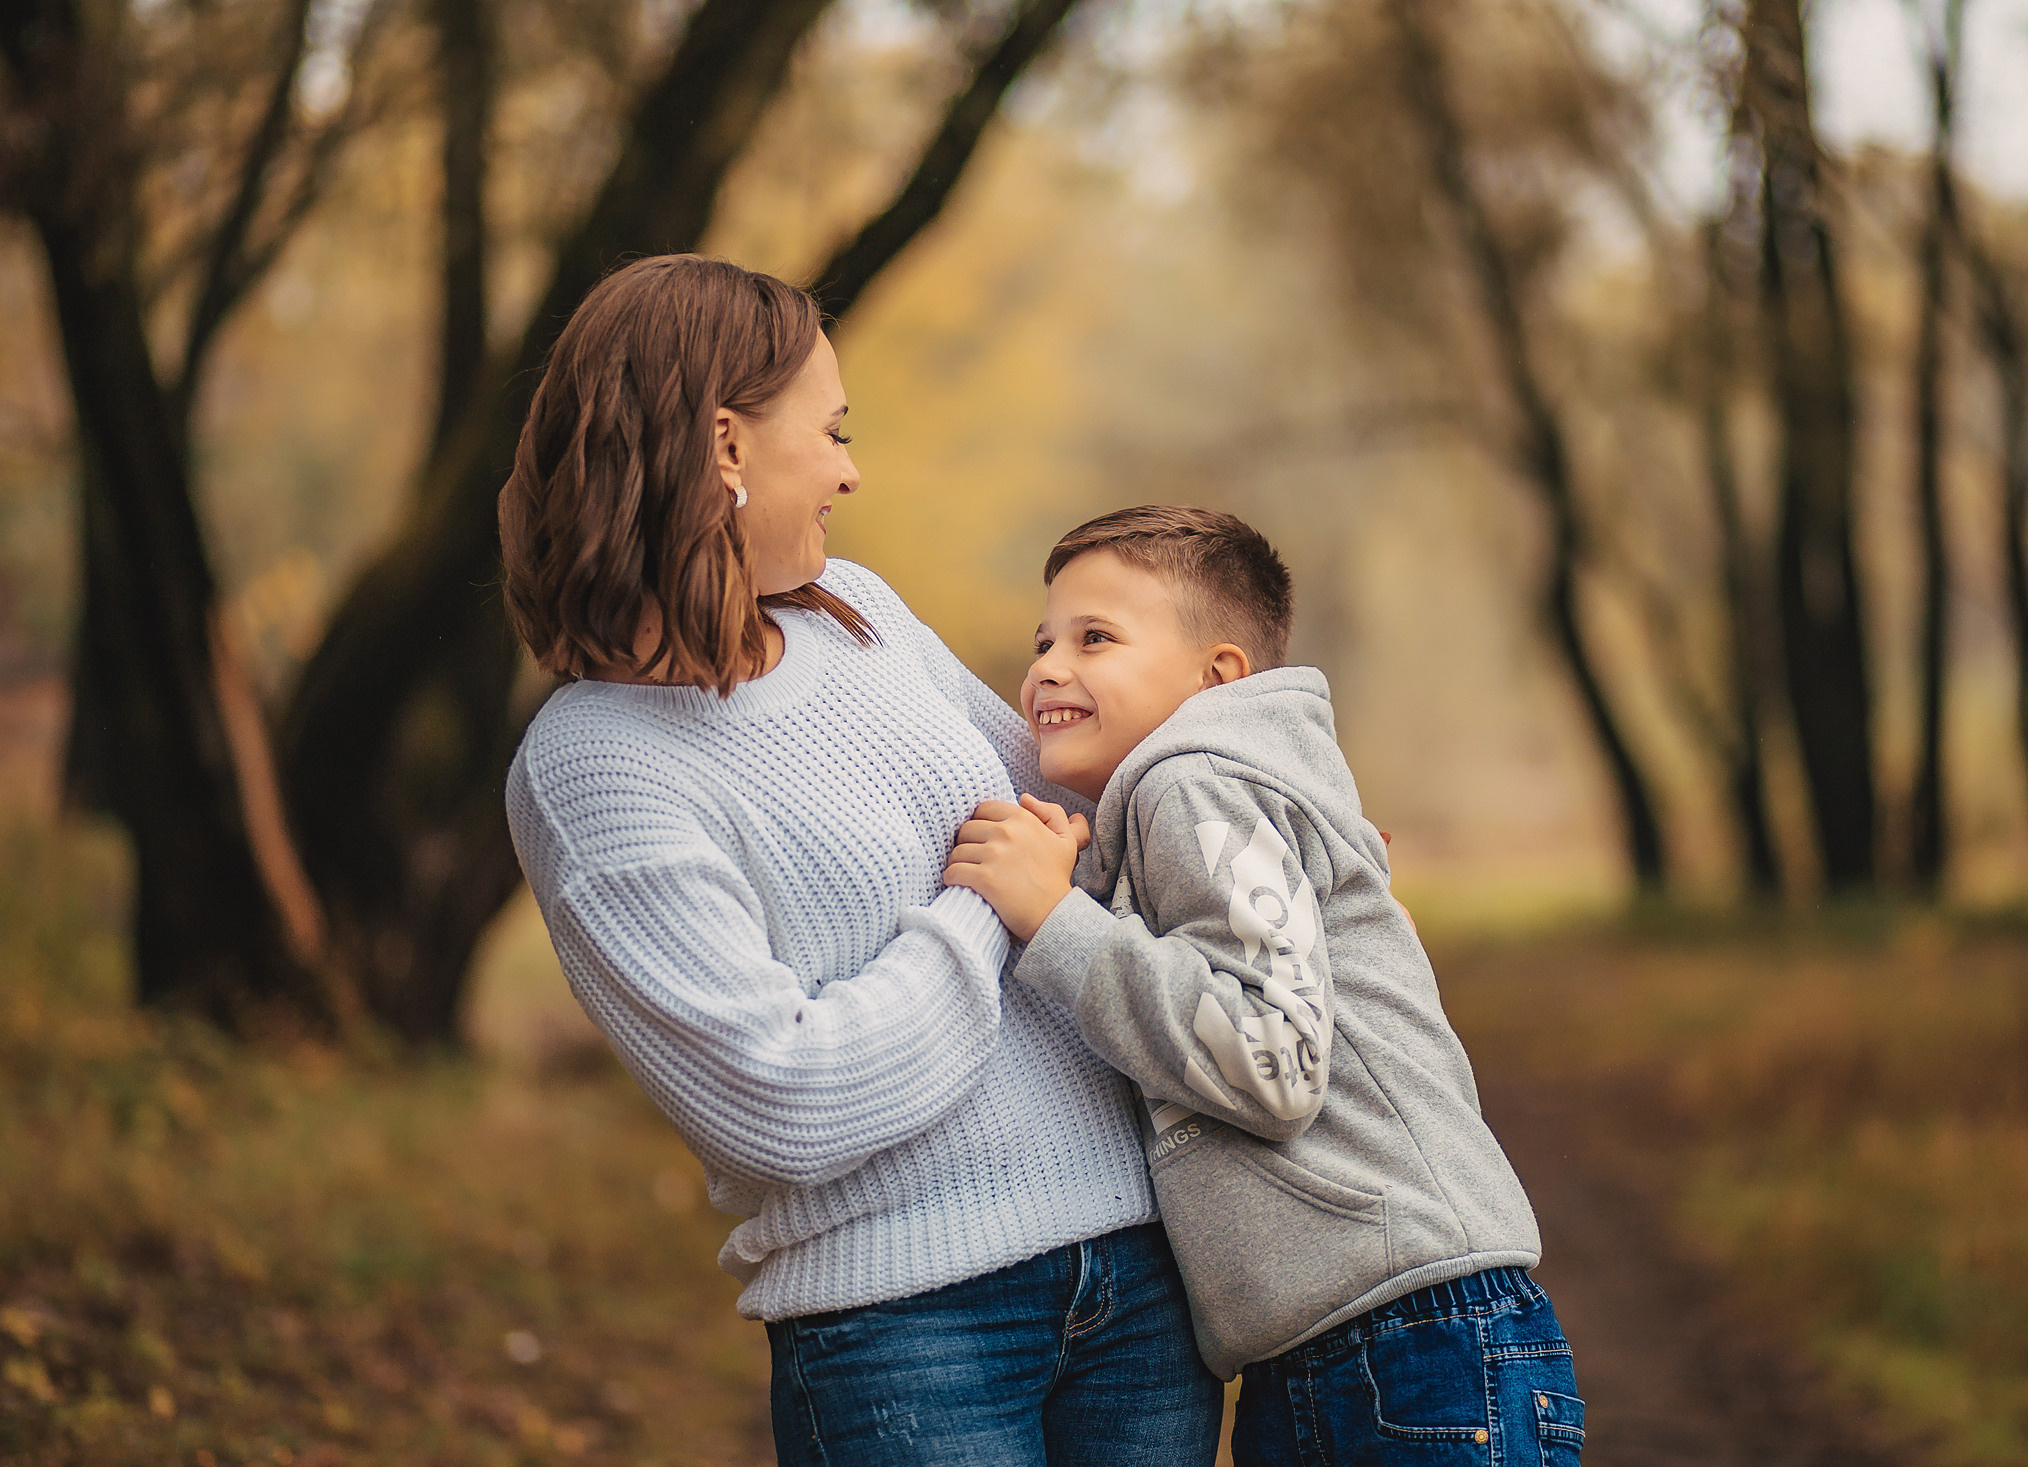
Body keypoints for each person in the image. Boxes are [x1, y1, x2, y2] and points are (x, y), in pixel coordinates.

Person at [499, 257, 1221, 1466]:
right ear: (725, 445)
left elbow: (1070, 823)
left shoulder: (861, 612)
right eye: (830, 432)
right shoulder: (592, 768)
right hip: (909, 1329)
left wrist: (1260, 820)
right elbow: (781, 1099)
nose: (848, 468)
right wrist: (979, 910)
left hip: (1139, 1276)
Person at [945, 505, 1584, 1467]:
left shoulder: (1190, 780)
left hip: (1407, 1340)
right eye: (1044, 640)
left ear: (1219, 677)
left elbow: (1272, 1062)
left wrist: (1057, 918)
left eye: (1097, 637)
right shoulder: (1220, 792)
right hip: (1359, 1343)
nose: (1047, 667)